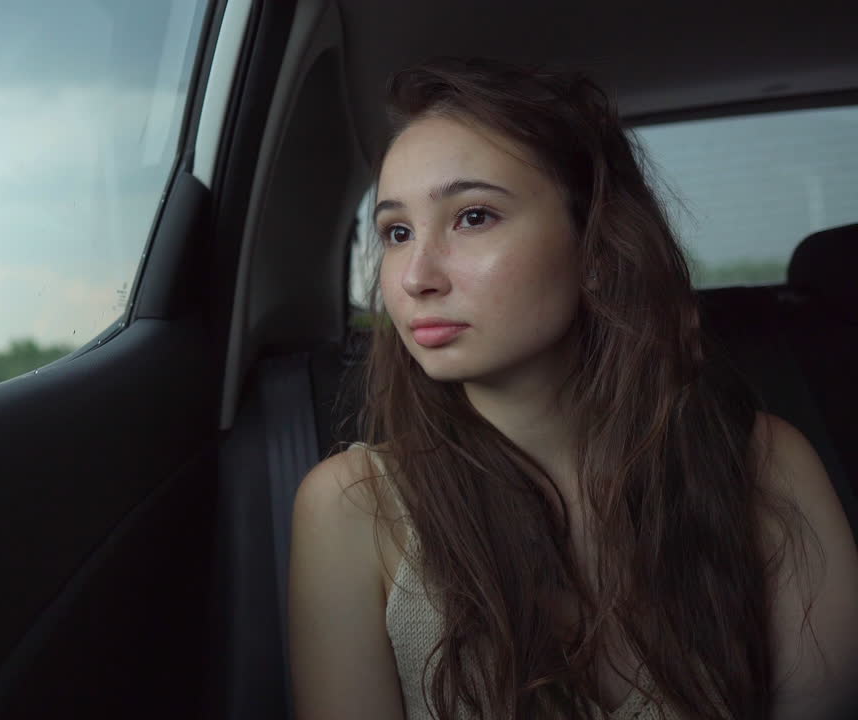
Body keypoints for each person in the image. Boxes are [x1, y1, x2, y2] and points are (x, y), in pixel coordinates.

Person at [287, 57, 858, 720]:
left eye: (473, 217)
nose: (416, 277)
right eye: (397, 232)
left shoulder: (767, 466)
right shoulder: (352, 508)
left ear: (594, 248)